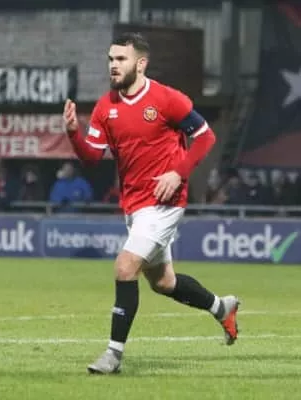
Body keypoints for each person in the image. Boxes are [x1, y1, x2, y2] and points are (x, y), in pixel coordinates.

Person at [62, 32, 240, 374]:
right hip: (134, 205)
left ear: (140, 64)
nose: (113, 65)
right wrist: (73, 133)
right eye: (111, 59)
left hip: (164, 203)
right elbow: (92, 158)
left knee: (124, 267)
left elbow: (205, 137)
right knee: (163, 283)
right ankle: (223, 308)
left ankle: (113, 355)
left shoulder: (167, 99)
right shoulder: (105, 107)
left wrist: (177, 173)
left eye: (121, 59)